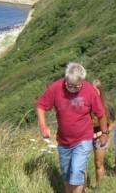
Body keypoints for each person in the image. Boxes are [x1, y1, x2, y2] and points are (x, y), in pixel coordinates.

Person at [36, 62, 108, 193]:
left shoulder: (90, 91)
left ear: (82, 81)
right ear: (66, 78)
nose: (72, 89)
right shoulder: (56, 88)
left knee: (76, 171)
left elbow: (101, 113)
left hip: (83, 139)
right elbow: (41, 105)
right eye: (69, 85)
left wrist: (104, 133)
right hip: (64, 141)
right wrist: (43, 126)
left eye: (76, 86)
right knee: (67, 175)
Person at [90, 79, 115, 190]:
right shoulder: (84, 105)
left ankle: (98, 187)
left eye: (96, 91)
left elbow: (112, 124)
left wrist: (99, 134)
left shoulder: (107, 106)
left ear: (100, 91)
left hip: (101, 136)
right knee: (81, 164)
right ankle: (81, 188)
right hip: (85, 136)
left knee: (98, 163)